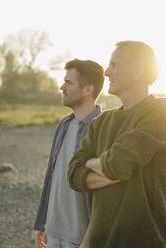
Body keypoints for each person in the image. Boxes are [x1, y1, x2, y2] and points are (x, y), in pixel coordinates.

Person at [68, 41, 166, 248]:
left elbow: (118, 163)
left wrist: (91, 164)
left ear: (138, 71)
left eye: (115, 65)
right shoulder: (101, 122)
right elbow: (73, 175)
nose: (107, 72)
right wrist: (109, 167)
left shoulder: (159, 111)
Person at [34, 58, 108, 248]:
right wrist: (42, 223)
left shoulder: (102, 128)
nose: (62, 87)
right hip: (53, 231)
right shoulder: (63, 124)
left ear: (88, 89)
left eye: (69, 82)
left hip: (81, 239)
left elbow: (105, 191)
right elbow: (51, 177)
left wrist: (92, 239)